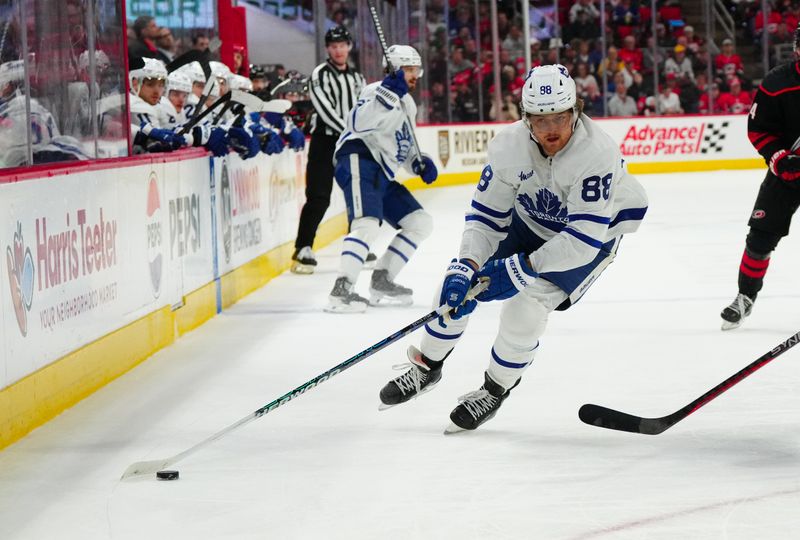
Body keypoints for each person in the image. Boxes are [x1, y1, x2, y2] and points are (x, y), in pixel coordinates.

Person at [377, 64, 648, 432]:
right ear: (526, 119)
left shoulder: (597, 153)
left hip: (591, 236)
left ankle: (494, 389)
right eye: (540, 120)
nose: (551, 130)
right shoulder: (508, 146)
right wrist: (467, 263)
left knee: (525, 307)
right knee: (457, 285)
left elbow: (582, 240)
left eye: (560, 118)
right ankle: (427, 366)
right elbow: (486, 217)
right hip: (528, 220)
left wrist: (523, 268)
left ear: (576, 111)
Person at [325, 45, 438, 313]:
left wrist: (419, 163)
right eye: (409, 69)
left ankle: (382, 278)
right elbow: (357, 124)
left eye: (416, 70)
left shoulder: (407, 103)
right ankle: (342, 289)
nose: (415, 75)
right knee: (367, 225)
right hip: (359, 158)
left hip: (382, 172)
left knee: (420, 223)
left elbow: (405, 147)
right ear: (396, 69)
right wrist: (387, 94)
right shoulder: (375, 91)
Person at [720, 26, 800, 330]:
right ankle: (745, 297)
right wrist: (778, 158)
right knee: (759, 238)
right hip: (786, 174)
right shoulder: (777, 82)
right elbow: (758, 129)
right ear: (796, 49)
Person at [291, 26, 366, 274]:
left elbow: (365, 108)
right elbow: (326, 112)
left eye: (343, 45)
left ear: (349, 46)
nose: (338, 50)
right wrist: (352, 132)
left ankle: (358, 244)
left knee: (358, 196)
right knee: (319, 197)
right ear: (327, 49)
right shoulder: (319, 75)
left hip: (351, 141)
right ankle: (303, 248)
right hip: (326, 142)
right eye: (334, 46)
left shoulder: (357, 78)